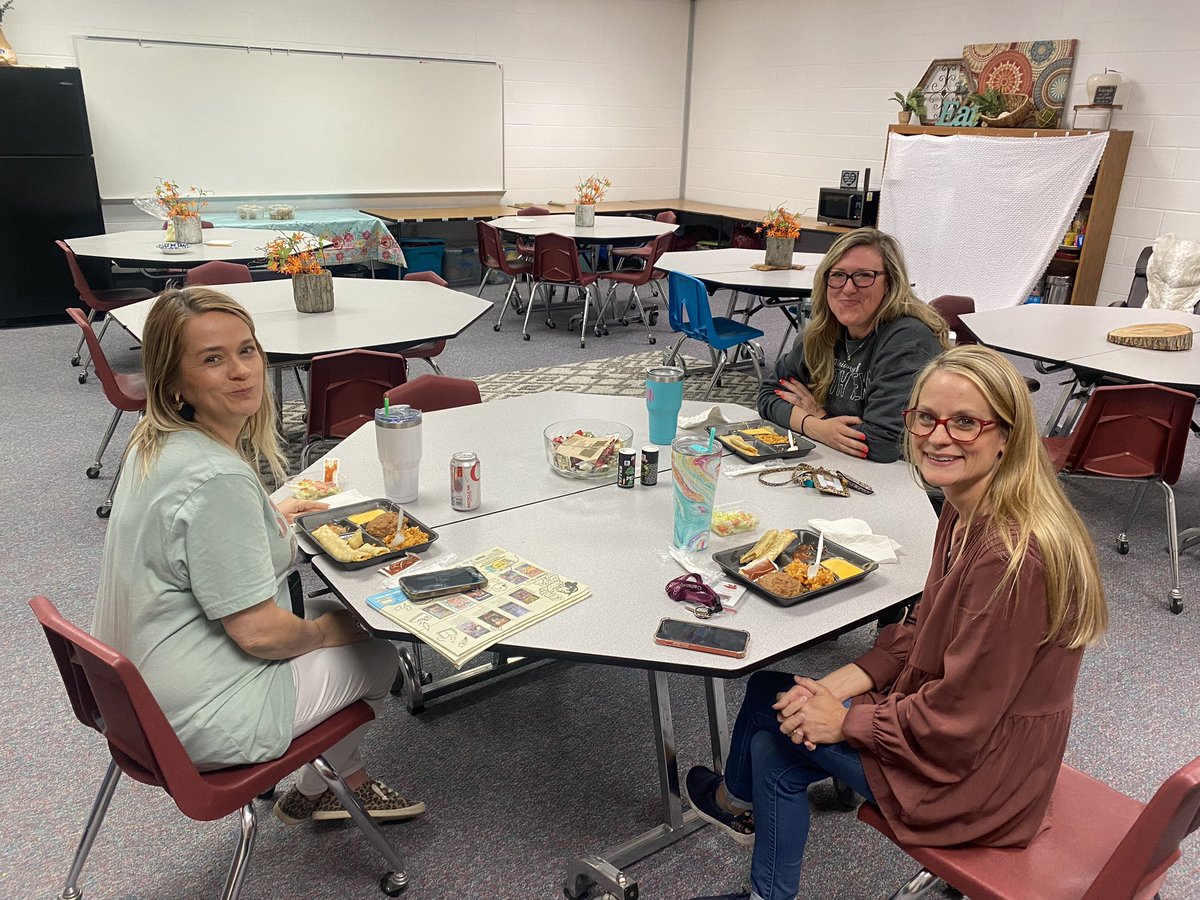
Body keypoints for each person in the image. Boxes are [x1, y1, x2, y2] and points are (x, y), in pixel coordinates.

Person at [689, 345, 1108, 900]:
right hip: (968, 739)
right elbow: (920, 629)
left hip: (980, 778)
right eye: (926, 418)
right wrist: (836, 686)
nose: (938, 437)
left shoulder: (1011, 559)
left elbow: (959, 722)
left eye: (965, 422)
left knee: (771, 716)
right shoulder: (967, 506)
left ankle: (737, 815)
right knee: (778, 704)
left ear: (1007, 434)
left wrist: (847, 723)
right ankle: (747, 835)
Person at [92, 287, 424, 826]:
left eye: (246, 351)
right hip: (200, 716)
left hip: (140, 699)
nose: (241, 371)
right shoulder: (217, 478)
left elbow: (195, 534)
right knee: (381, 646)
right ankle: (318, 791)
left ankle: (337, 780)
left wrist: (273, 511)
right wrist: (327, 635)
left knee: (334, 618)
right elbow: (260, 634)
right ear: (172, 380)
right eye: (212, 359)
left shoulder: (154, 441)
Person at [757, 228, 949, 462]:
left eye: (864, 276)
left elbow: (882, 444)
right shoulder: (823, 332)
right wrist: (814, 425)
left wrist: (822, 419)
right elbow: (768, 395)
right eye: (838, 275)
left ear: (889, 284)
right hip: (838, 463)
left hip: (898, 480)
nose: (848, 288)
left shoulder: (908, 339)